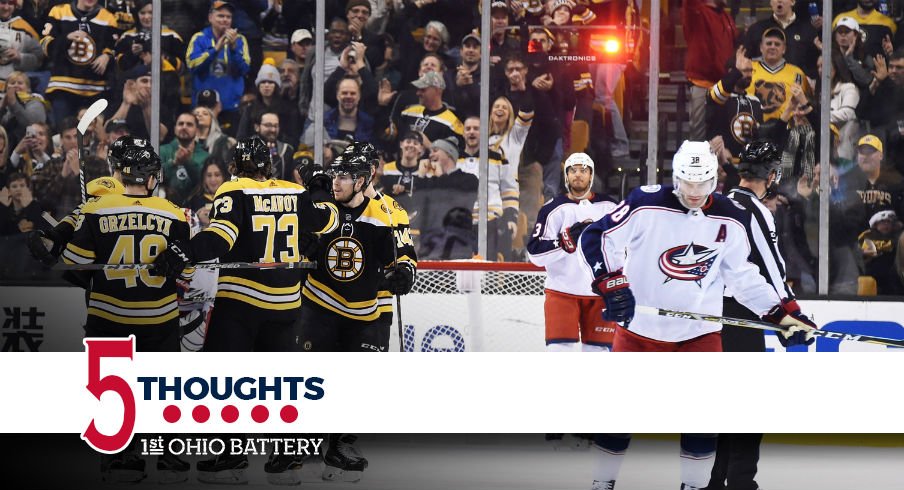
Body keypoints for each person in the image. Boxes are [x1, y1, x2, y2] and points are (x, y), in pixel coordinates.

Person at [578, 141, 819, 490]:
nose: (694, 192)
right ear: (676, 178)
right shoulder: (645, 202)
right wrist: (613, 284)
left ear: (715, 180)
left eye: (702, 184)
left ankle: (693, 486)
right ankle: (603, 483)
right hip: (640, 331)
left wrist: (781, 316)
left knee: (702, 417)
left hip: (699, 335)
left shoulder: (731, 216)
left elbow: (743, 278)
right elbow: (597, 237)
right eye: (687, 184)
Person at [154, 136, 338, 483]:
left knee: (229, 380)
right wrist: (317, 189)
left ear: (236, 167)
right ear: (269, 166)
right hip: (286, 304)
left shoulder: (234, 189)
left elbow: (221, 238)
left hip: (241, 302)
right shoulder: (294, 191)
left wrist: (182, 252)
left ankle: (230, 456)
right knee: (281, 383)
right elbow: (324, 224)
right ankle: (286, 460)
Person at [59, 140, 192, 484]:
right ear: (149, 178)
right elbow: (188, 273)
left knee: (114, 389)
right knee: (163, 388)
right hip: (159, 317)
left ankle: (122, 457)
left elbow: (74, 262)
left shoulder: (97, 208)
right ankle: (168, 456)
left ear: (120, 173)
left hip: (108, 316)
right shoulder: (173, 212)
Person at [295, 149, 415, 484]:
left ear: (362, 180)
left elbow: (404, 255)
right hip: (318, 303)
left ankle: (340, 445)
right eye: (334, 176)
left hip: (363, 310)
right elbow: (301, 236)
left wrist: (404, 272)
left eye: (343, 177)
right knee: (311, 380)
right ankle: (303, 444)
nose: (336, 182)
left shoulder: (386, 213)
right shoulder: (327, 209)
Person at [705, 141, 798, 490]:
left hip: (708, 315)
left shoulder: (716, 203)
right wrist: (792, 313)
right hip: (740, 314)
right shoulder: (754, 211)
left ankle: (711, 481)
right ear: (771, 176)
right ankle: (741, 482)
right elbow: (773, 268)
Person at [527, 152, 619, 352]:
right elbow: (534, 255)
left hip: (600, 293)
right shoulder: (552, 209)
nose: (578, 175)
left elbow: (625, 248)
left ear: (591, 175)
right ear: (566, 176)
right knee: (560, 352)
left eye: (583, 170)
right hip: (562, 293)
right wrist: (565, 242)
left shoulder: (610, 207)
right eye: (573, 170)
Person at [40, 0, 118, 127]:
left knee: (94, 135)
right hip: (62, 86)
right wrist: (66, 39)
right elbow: (45, 46)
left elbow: (115, 47)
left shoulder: (108, 18)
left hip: (95, 89)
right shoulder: (58, 12)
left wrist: (107, 55)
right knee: (64, 132)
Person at [186, 1, 251, 133]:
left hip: (231, 107)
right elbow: (192, 66)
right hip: (203, 109)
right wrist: (215, 50)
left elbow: (245, 69)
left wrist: (233, 50)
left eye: (228, 17)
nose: (225, 20)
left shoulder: (240, 40)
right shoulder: (199, 38)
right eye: (220, 16)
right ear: (210, 18)